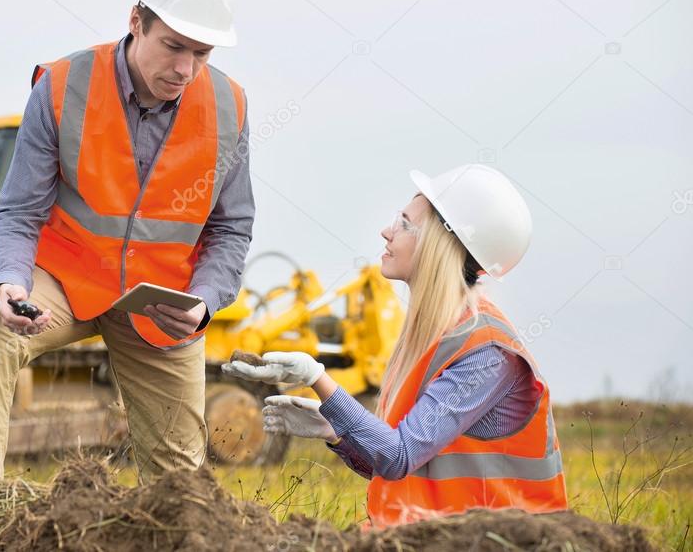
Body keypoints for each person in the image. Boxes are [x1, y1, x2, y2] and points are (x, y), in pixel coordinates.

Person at [0, 0, 254, 482]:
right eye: (174, 46)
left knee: (181, 485)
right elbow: (18, 211)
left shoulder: (230, 107)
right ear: (135, 22)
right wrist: (10, 284)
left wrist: (204, 303)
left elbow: (231, 228)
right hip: (67, 280)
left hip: (162, 305)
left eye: (201, 53)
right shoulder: (63, 86)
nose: (185, 69)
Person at [224, 164, 568, 527]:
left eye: (404, 223)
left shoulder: (486, 354)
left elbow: (398, 456)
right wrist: (334, 430)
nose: (387, 231)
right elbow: (394, 465)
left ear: (440, 243)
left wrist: (317, 379)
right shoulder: (438, 336)